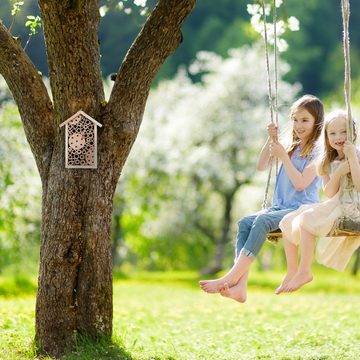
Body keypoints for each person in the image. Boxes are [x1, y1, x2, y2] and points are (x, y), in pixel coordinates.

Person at [199, 94, 324, 302]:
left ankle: (232, 276)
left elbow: (301, 183)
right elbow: (262, 166)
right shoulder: (292, 146)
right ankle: (240, 286)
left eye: (305, 120)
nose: (298, 125)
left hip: (302, 208)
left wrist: (284, 156)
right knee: (245, 222)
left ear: (316, 122)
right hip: (280, 207)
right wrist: (271, 140)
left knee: (263, 221)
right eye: (295, 119)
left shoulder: (319, 152)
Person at [276, 109, 360, 294]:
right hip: (335, 203)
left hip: (353, 207)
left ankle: (305, 271)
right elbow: (329, 193)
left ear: (354, 133)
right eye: (333, 133)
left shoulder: (357, 155)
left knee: (306, 220)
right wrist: (338, 173)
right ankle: (292, 272)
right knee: (288, 220)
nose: (338, 136)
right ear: (327, 137)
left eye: (343, 131)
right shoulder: (327, 162)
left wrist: (353, 158)